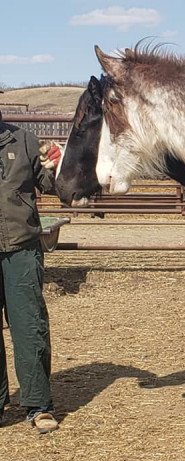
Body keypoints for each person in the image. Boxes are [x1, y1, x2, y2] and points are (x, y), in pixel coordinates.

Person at [0, 91, 62, 433]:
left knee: (29, 325)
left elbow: (52, 185)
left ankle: (38, 405)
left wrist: (57, 163)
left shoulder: (23, 141)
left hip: (22, 247)